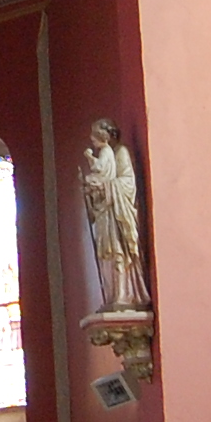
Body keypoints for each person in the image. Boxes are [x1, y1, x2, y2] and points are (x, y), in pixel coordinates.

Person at [77, 119, 151, 311]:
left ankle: (124, 293)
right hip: (106, 212)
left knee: (119, 249)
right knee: (108, 251)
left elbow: (128, 183)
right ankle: (113, 294)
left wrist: (105, 187)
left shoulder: (120, 153)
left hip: (117, 213)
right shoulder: (107, 154)